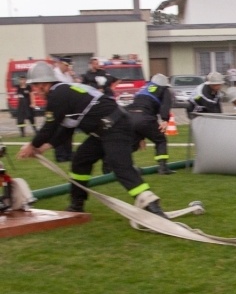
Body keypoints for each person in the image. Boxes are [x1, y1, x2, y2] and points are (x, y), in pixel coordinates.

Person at [17, 61, 168, 217]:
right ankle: (77, 204)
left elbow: (48, 128)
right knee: (80, 160)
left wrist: (31, 145)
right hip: (104, 129)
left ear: (44, 83)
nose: (33, 90)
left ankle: (151, 205)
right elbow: (66, 129)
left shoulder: (57, 95)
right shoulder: (64, 92)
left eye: (34, 85)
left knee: (121, 166)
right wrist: (42, 148)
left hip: (115, 126)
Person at [127, 73, 175, 175]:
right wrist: (165, 120)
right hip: (145, 118)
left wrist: (141, 137)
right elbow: (165, 105)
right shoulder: (164, 90)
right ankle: (163, 167)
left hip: (130, 118)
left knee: (132, 145)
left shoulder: (143, 88)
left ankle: (125, 166)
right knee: (160, 139)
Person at [52, 57, 76, 162]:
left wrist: (73, 76)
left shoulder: (67, 75)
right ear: (60, 64)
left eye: (69, 66)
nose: (68, 68)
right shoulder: (54, 74)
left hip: (68, 106)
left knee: (68, 130)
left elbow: (74, 87)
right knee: (58, 131)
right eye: (66, 65)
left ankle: (68, 153)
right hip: (58, 105)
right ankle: (60, 155)